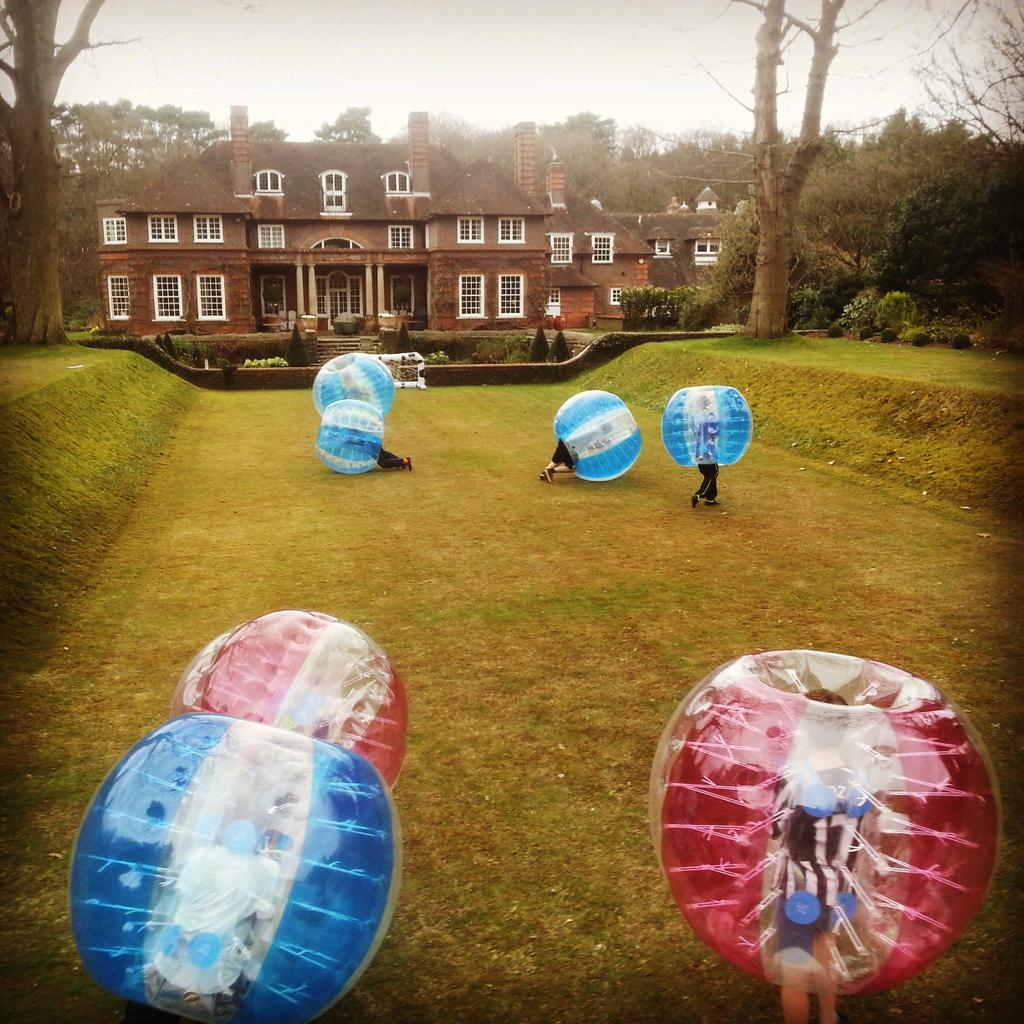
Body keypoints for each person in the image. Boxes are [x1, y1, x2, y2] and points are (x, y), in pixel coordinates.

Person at [771, 688, 860, 1024]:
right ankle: (828, 1018)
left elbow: (775, 827)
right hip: (838, 887)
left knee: (793, 970)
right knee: (825, 951)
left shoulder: (795, 777)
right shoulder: (857, 779)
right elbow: (858, 838)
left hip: (799, 889)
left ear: (806, 729)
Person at [691, 394, 720, 507]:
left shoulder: (695, 417)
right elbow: (715, 433)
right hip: (708, 451)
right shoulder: (710, 416)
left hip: (698, 450)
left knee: (708, 474)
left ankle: (710, 499)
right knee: (713, 473)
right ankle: (699, 495)